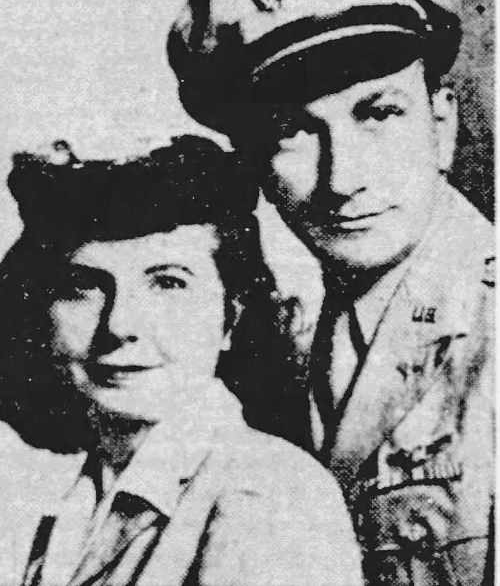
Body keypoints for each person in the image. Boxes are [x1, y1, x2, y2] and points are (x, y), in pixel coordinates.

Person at [167, 0, 494, 585]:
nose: (342, 178)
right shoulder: (279, 345)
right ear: (253, 164)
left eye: (378, 113)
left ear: (442, 124)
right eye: (290, 131)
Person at [0, 138, 363, 586]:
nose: (120, 325)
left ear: (232, 316)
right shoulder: (81, 491)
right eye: (82, 287)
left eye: (168, 283)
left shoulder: (271, 496)